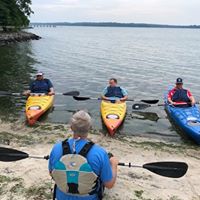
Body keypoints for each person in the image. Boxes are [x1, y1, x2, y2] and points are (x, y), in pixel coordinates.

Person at [48, 110, 119, 200]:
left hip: (61, 196)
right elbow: (109, 184)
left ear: (71, 127)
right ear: (90, 127)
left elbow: (52, 173)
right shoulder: (100, 153)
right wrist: (113, 164)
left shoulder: (56, 148)